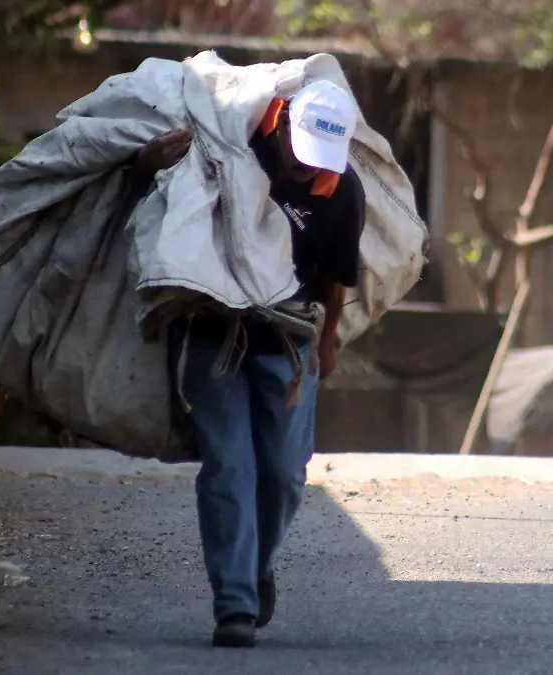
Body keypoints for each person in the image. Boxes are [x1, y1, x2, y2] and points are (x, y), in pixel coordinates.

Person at [129, 79, 366, 648]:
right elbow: (153, 191)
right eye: (302, 154)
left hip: (288, 341)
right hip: (214, 336)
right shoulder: (227, 146)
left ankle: (257, 567)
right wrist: (147, 161)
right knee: (230, 465)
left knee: (284, 473)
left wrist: (327, 344)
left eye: (320, 161)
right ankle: (234, 603)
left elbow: (334, 280)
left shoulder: (342, 190)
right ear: (281, 123)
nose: (309, 170)